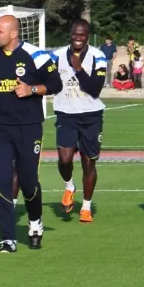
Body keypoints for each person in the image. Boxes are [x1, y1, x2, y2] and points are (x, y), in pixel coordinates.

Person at [0, 15, 62, 253]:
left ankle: (35, 222)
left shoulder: (37, 55)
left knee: (28, 180)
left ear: (13, 33)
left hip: (29, 126)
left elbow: (56, 84)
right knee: (2, 180)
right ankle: (7, 238)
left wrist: (32, 89)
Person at [52, 19, 108, 223]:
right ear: (70, 34)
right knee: (64, 159)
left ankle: (85, 206)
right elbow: (46, 79)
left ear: (88, 36)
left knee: (88, 163)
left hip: (91, 115)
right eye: (75, 33)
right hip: (65, 114)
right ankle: (69, 186)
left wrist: (78, 69)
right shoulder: (56, 56)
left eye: (82, 34)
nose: (78, 38)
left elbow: (95, 88)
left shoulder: (98, 56)